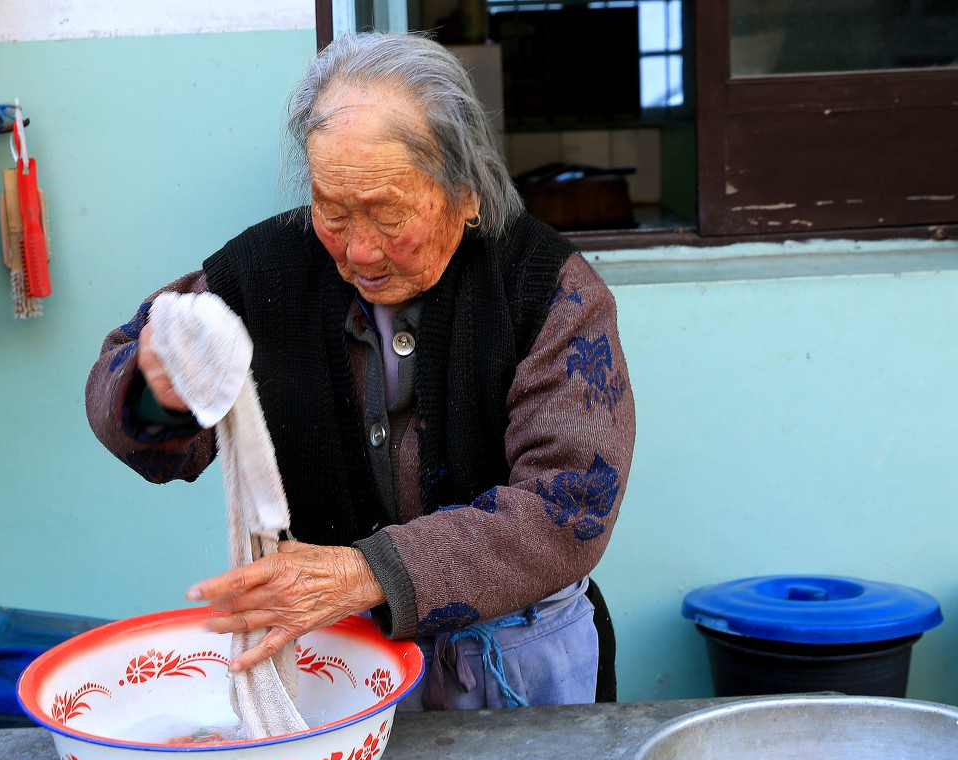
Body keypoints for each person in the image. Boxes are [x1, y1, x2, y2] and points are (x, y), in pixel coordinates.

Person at [85, 32, 635, 711]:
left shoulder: (546, 289)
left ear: (465, 193)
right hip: (343, 661)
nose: (360, 249)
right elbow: (134, 388)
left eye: (387, 213)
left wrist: (369, 572)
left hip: (519, 660)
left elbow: (567, 505)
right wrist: (158, 391)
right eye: (333, 211)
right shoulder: (262, 276)